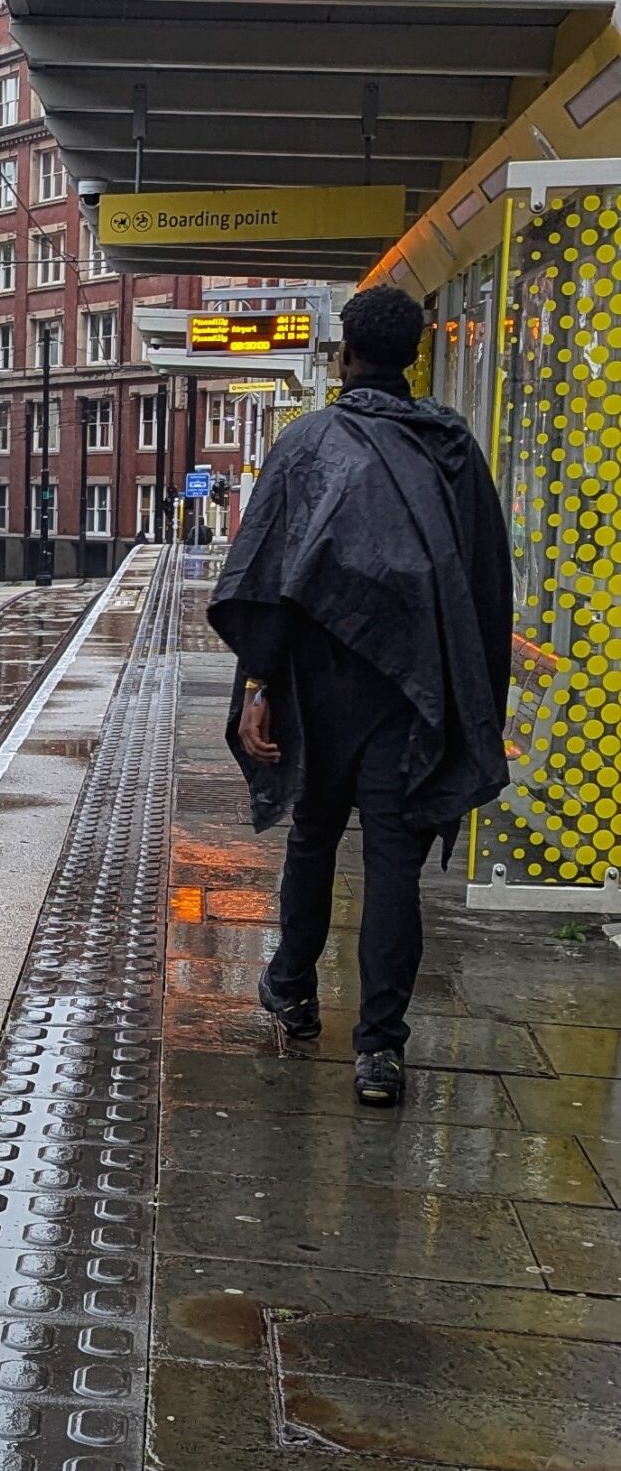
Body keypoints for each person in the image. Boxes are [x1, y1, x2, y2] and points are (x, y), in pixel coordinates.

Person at [207, 284, 512, 1108]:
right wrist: (469, 704)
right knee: (392, 866)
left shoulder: (308, 445)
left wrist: (258, 690)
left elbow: (266, 580)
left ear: (344, 354)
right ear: (414, 354)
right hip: (411, 697)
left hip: (317, 686)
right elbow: (484, 588)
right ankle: (379, 1049)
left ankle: (294, 989)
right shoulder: (452, 451)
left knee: (311, 837)